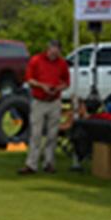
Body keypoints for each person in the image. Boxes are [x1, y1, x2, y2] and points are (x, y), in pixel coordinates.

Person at [19, 39, 70, 175]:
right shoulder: (36, 60)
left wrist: (58, 88)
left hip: (54, 101)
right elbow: (29, 79)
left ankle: (49, 163)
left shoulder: (62, 63)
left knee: (52, 134)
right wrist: (42, 86)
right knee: (36, 133)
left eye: (57, 52)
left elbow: (66, 82)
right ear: (48, 49)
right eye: (52, 51)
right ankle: (31, 164)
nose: (54, 54)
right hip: (39, 100)